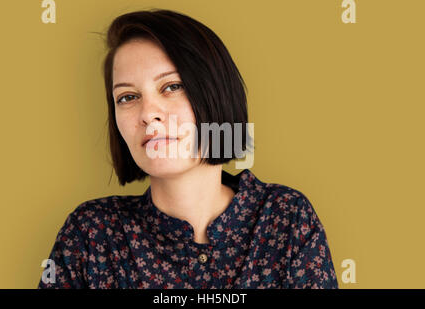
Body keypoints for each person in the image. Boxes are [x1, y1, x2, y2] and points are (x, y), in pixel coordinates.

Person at [38, 9, 338, 289]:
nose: (147, 113)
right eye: (128, 97)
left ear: (214, 93)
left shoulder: (286, 219)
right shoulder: (91, 233)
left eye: (171, 87)